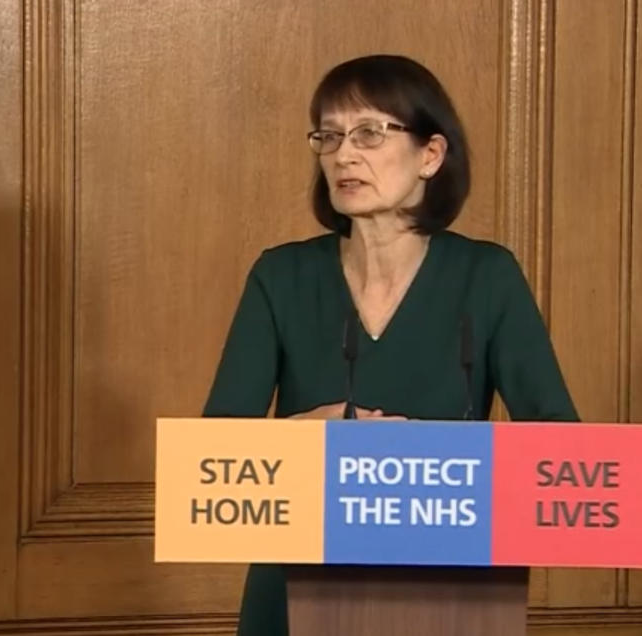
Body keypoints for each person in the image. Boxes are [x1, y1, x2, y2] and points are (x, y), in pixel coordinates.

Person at [202, 54, 578, 636]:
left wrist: (426, 455)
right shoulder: (281, 277)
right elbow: (215, 455)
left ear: (431, 154)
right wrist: (304, 442)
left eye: (370, 133)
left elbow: (561, 451)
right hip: (298, 589)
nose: (343, 155)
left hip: (446, 587)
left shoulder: (487, 276)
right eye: (329, 136)